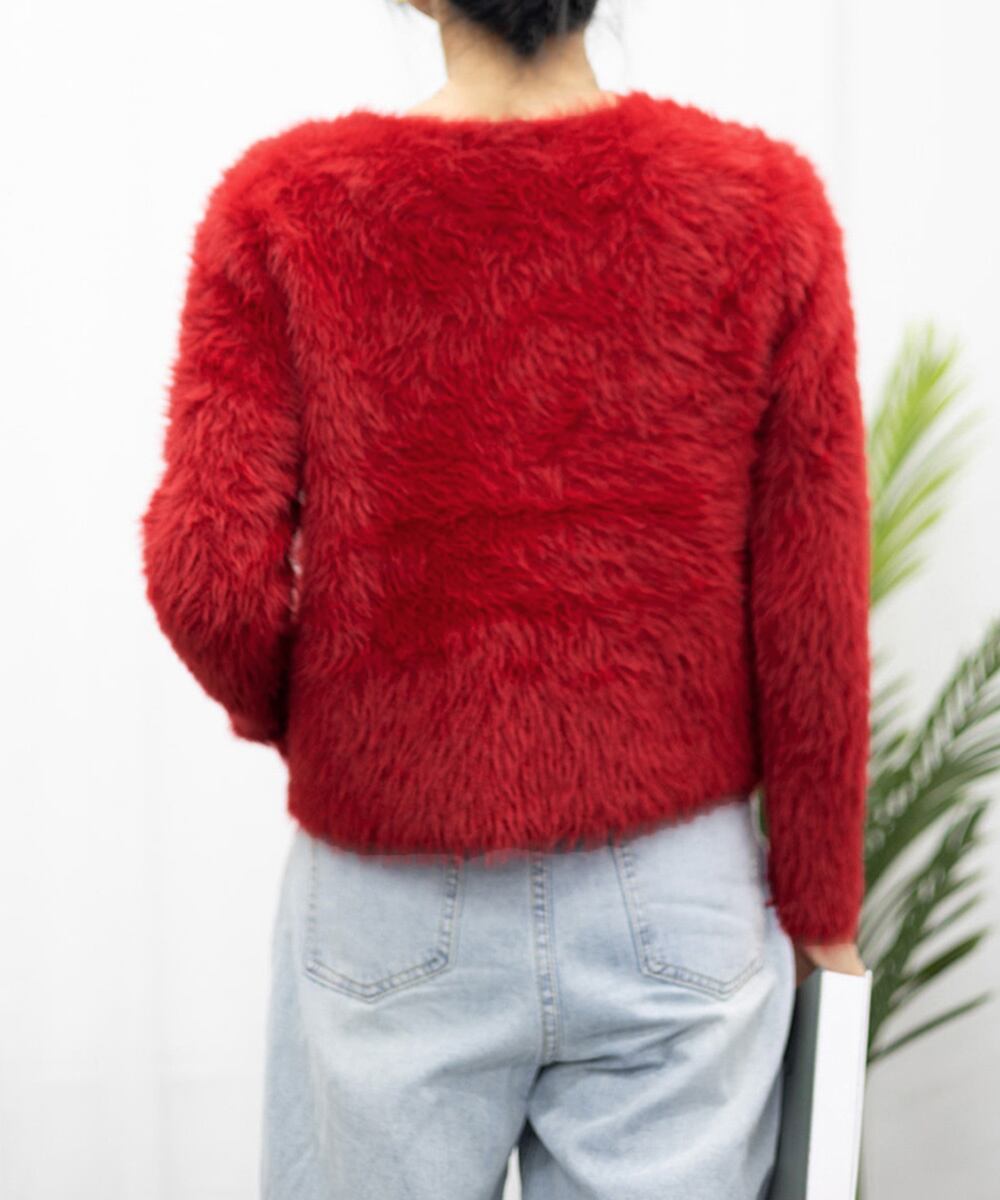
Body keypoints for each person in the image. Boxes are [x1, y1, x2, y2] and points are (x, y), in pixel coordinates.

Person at [139, 1, 871, 1195]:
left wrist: (337, 731)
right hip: (673, 893)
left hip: (390, 885)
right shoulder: (763, 206)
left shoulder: (285, 209)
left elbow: (207, 578)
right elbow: (811, 602)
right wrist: (823, 914)